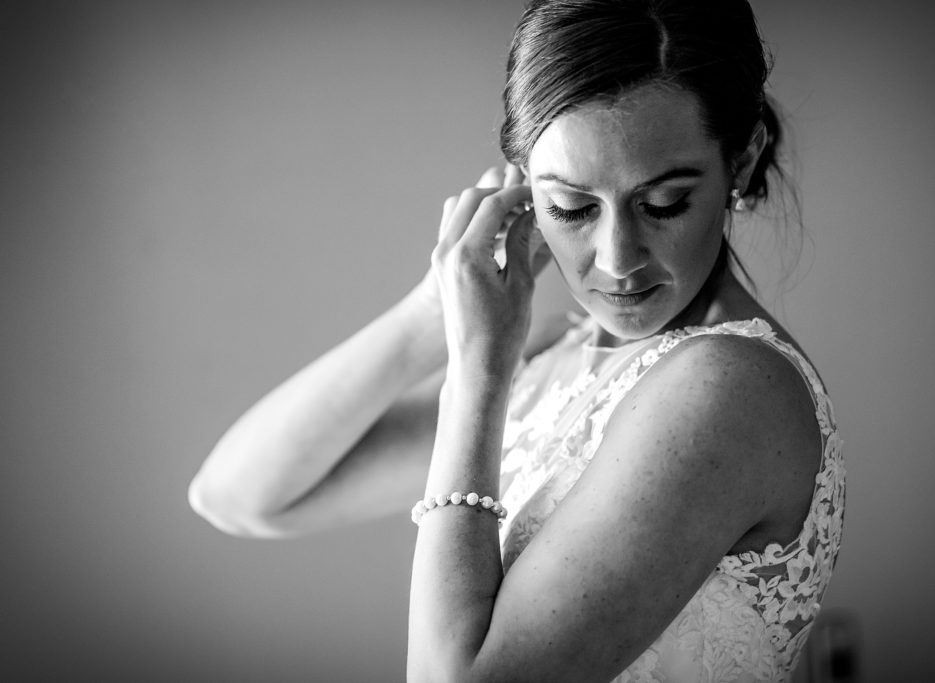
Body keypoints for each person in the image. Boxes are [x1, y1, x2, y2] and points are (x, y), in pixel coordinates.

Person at [189, 0, 845, 680]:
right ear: (526, 191)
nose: (618, 257)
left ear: (741, 161)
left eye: (662, 203)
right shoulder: (565, 357)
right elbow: (239, 496)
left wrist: (479, 367)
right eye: (573, 207)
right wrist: (438, 304)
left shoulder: (727, 387)